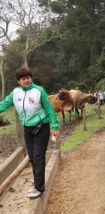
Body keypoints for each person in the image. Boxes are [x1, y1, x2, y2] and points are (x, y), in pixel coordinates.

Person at [0, 67, 60, 199]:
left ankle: (39, 188)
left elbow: (49, 109)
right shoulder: (15, 93)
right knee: (32, 157)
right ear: (18, 81)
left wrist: (55, 127)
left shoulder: (39, 91)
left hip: (41, 127)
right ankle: (38, 184)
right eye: (23, 79)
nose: (26, 81)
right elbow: (3, 105)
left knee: (38, 157)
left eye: (28, 78)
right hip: (27, 129)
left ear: (30, 78)